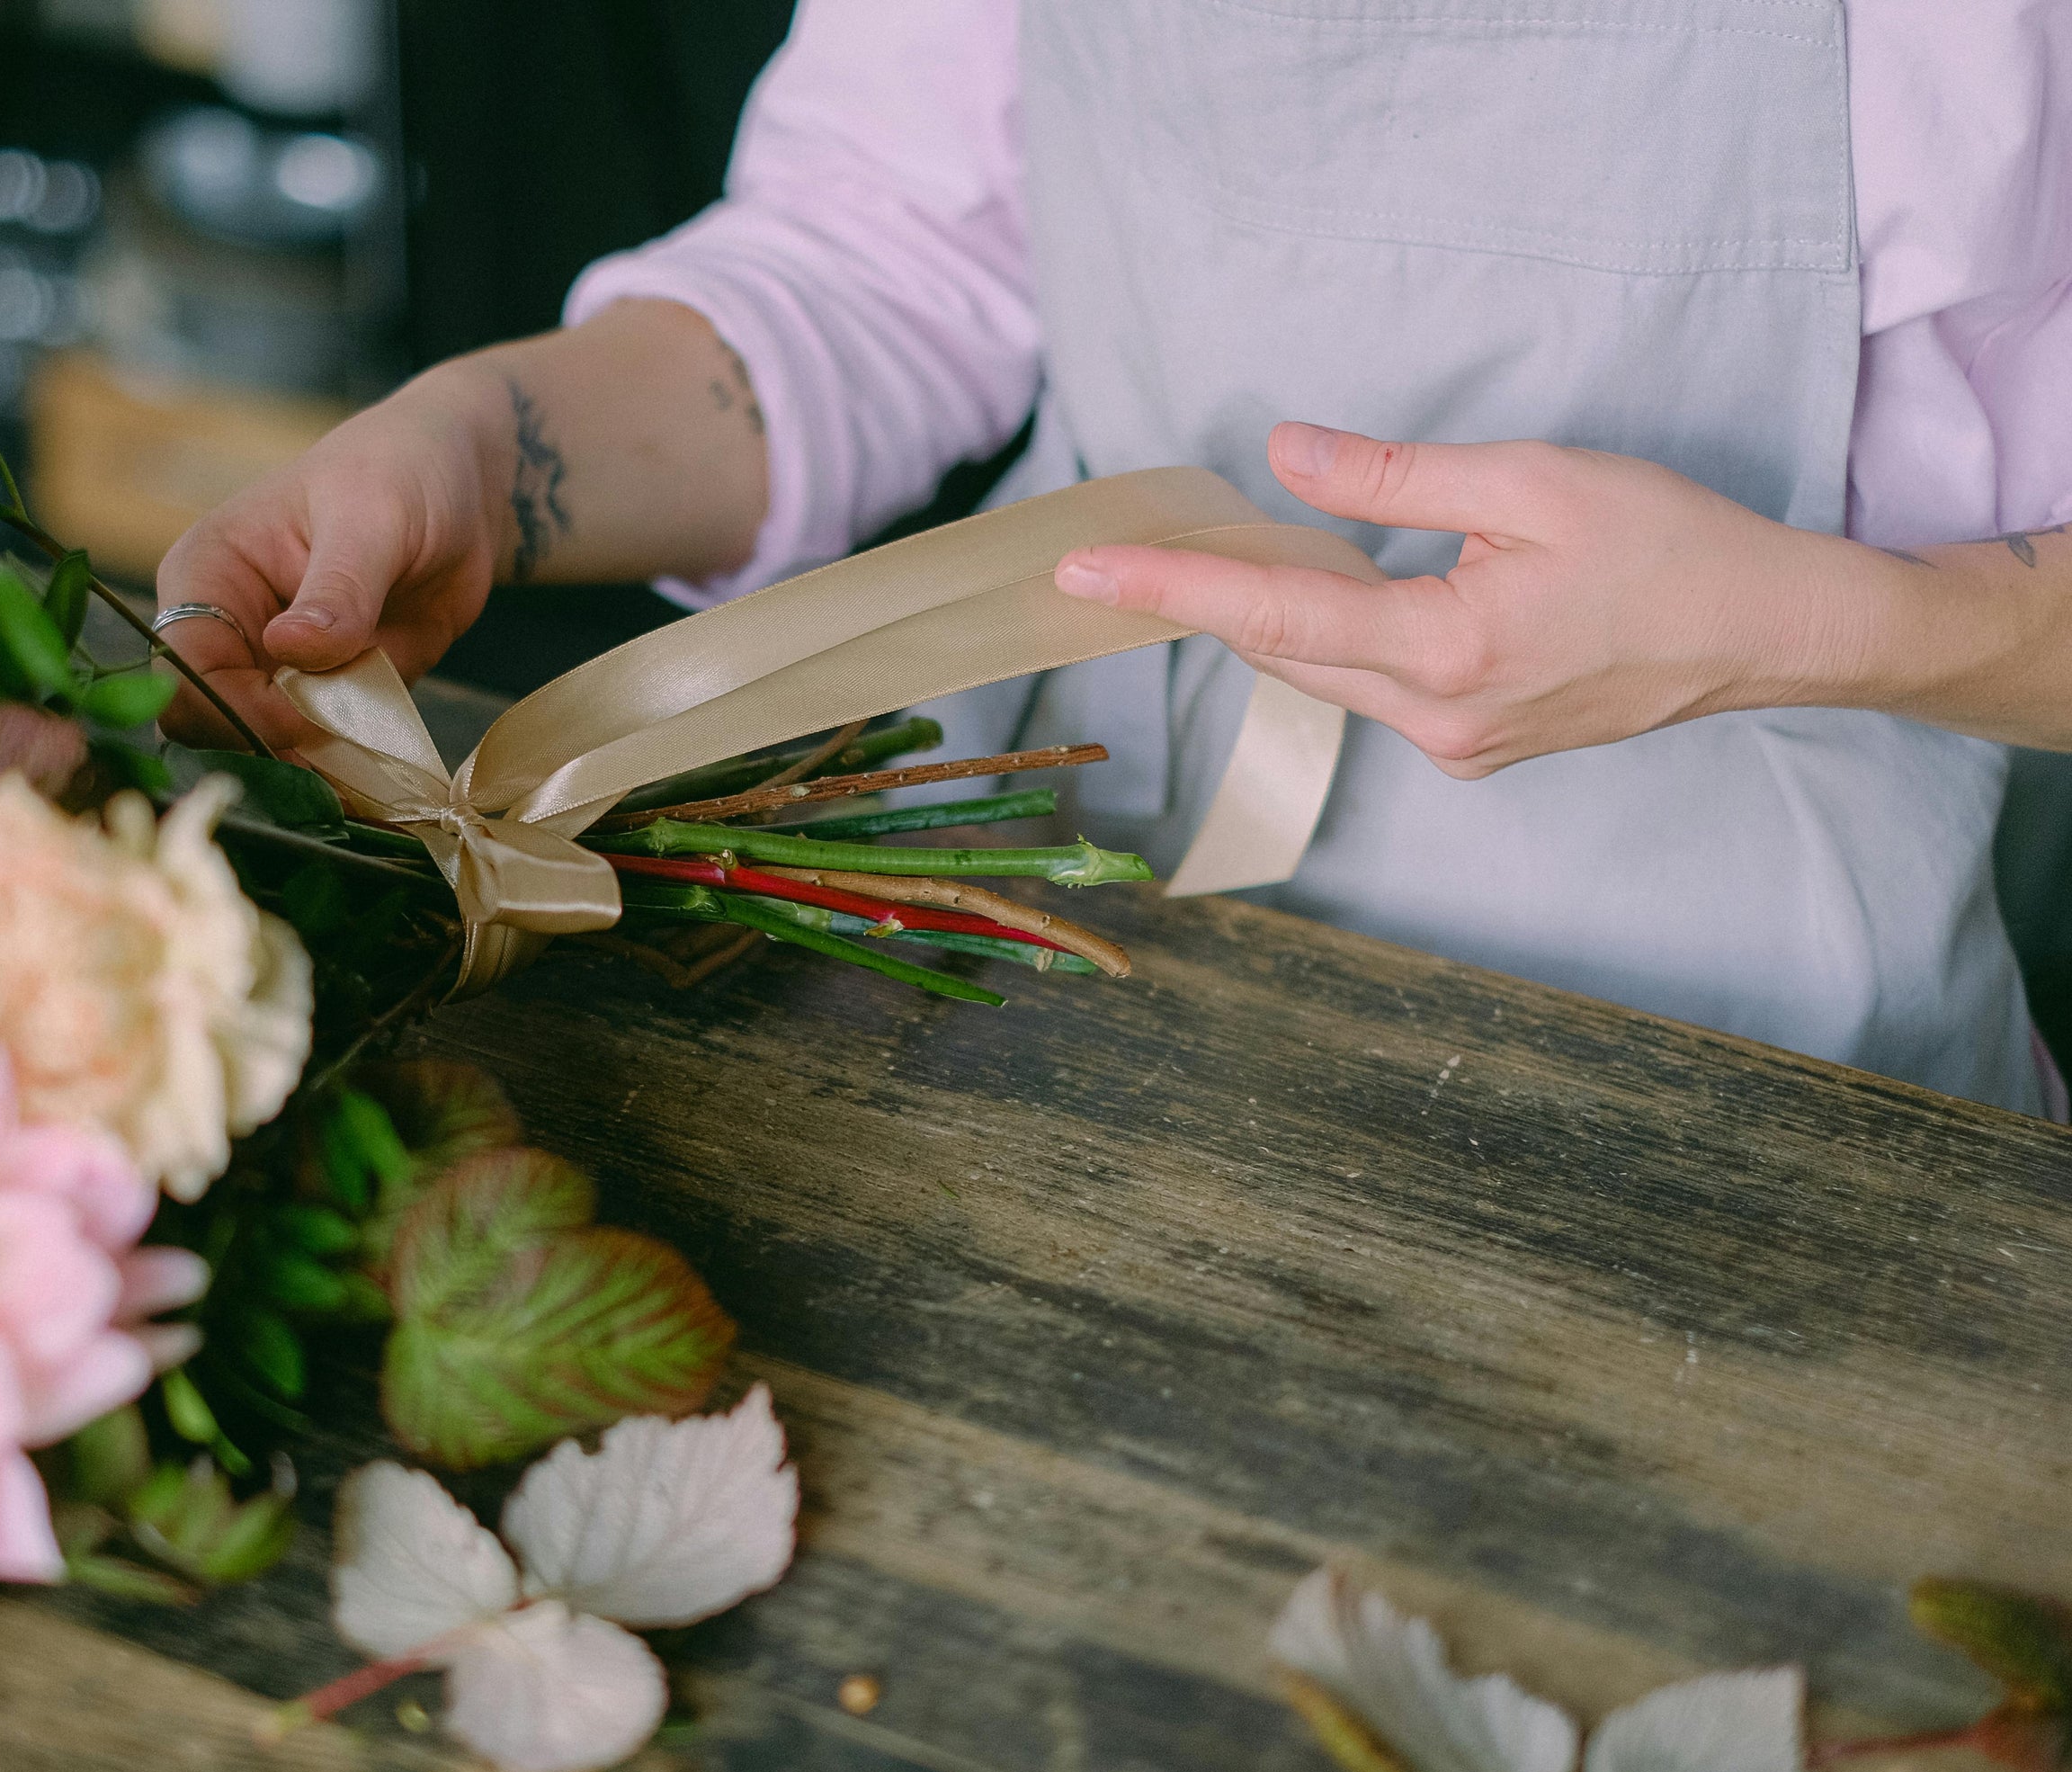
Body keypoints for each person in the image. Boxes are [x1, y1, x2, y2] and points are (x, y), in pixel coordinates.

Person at [156, 0, 2072, 1114]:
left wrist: (1822, 625)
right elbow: (882, 253)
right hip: (1042, 929)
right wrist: (485, 457)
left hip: (1751, 1087)